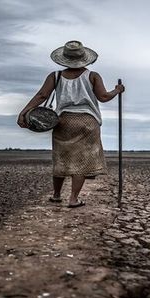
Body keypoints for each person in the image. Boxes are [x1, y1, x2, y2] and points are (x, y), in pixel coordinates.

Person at [17, 40, 125, 208]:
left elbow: (41, 96)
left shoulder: (55, 76)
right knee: (81, 162)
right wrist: (117, 91)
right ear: (84, 58)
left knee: (61, 158)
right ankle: (73, 199)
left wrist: (24, 112)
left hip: (63, 121)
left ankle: (56, 195)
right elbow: (103, 97)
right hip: (88, 122)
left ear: (64, 58)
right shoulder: (93, 76)